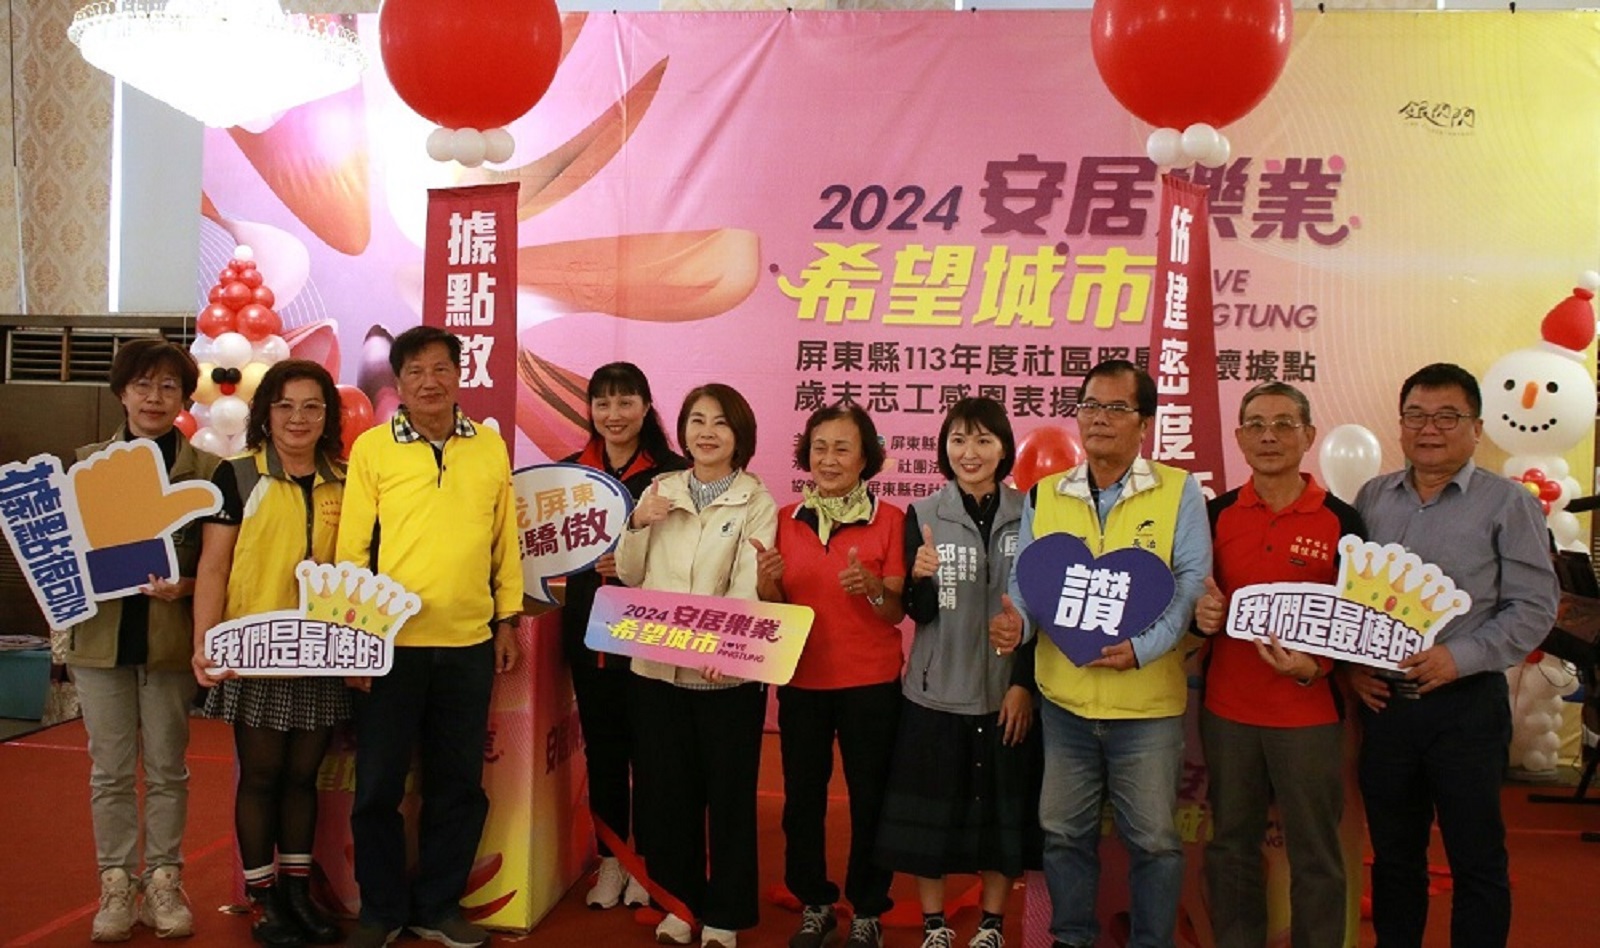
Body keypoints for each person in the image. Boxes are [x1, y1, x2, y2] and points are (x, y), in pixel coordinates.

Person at [995, 359, 1210, 948]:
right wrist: (1017, 624)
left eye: (1116, 408)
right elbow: (1029, 583)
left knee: (1155, 843)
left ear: (1145, 423)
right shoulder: (1047, 493)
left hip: (1146, 709)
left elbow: (1191, 585)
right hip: (1064, 704)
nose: (1099, 419)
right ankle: (1071, 938)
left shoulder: (1178, 490)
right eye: (1090, 405)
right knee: (1064, 835)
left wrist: (1142, 649)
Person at [1348, 363, 1557, 948]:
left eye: (1447, 417)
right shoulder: (1373, 497)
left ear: (1477, 428)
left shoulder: (1507, 503)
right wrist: (1354, 666)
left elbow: (1534, 607)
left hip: (1466, 705)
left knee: (1476, 858)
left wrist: (1458, 656)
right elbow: (1352, 594)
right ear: (1400, 424)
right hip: (1386, 706)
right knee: (1394, 857)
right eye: (1416, 415)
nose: (1429, 429)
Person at [336, 326, 524, 948]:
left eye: (441, 368)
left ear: (459, 374)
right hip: (389, 647)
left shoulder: (489, 447)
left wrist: (506, 618)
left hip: (469, 644)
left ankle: (439, 907)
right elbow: (352, 549)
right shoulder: (373, 448)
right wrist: (355, 641)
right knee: (378, 787)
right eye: (415, 371)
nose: (429, 382)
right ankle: (381, 911)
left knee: (459, 785)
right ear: (398, 382)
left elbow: (504, 541)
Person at [1191, 381, 1365, 948]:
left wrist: (1316, 667)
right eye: (1256, 425)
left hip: (1308, 713)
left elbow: (1360, 618)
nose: (1269, 436)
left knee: (1315, 851)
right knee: (1231, 846)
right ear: (1239, 438)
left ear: (1308, 435)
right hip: (1228, 711)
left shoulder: (1342, 521)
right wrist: (1201, 615)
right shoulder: (1214, 515)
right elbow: (1193, 601)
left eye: (1284, 424)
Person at [190, 360, 349, 947]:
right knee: (261, 776)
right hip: (254, 649)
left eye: (311, 406)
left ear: (327, 415)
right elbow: (213, 566)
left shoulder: (346, 478)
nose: (297, 418)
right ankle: (264, 901)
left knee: (304, 777)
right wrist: (204, 641)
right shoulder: (238, 475)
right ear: (266, 413)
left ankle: (297, 894)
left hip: (322, 651)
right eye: (285, 406)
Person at [614, 383, 778, 948]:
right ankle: (680, 905)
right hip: (656, 672)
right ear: (682, 430)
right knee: (667, 795)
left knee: (728, 799)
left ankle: (725, 914)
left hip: (724, 678)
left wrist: (723, 647)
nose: (707, 433)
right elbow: (630, 575)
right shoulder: (659, 490)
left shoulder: (756, 501)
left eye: (720, 423)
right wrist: (638, 523)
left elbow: (748, 583)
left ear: (740, 435)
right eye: (697, 421)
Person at [68, 338, 219, 942]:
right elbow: (58, 558)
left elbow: (221, 567)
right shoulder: (83, 466)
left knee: (166, 769)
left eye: (168, 386)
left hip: (169, 644)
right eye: (142, 385)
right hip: (99, 643)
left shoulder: (207, 473)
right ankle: (114, 884)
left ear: (184, 398)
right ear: (121, 393)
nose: (154, 397)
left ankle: (163, 881)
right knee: (108, 771)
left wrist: (187, 589)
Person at [876, 397, 1040, 948]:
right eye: (958, 440)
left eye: (983, 440)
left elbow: (1040, 607)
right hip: (936, 693)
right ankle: (935, 925)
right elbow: (915, 612)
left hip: (1004, 693)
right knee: (932, 822)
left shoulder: (1030, 513)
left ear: (1003, 448)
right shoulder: (923, 513)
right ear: (944, 448)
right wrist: (920, 578)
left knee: (1001, 818)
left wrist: (1022, 683)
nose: (970, 452)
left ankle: (992, 924)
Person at [753, 402, 906, 948]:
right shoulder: (783, 519)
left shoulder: (892, 520)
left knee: (871, 800)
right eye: (819, 447)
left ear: (866, 458)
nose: (829, 458)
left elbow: (896, 612)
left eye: (843, 448)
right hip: (801, 682)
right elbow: (773, 609)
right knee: (801, 801)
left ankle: (868, 909)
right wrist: (767, 581)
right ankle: (814, 903)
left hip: (871, 683)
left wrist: (874, 588)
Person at [560, 362, 684, 910]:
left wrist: (636, 561)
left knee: (654, 755)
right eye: (603, 403)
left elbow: (686, 556)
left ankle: (649, 861)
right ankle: (611, 861)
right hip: (589, 636)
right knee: (604, 752)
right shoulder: (569, 474)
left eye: (625, 402)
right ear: (590, 409)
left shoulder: (674, 475)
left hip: (651, 634)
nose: (614, 415)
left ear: (646, 406)